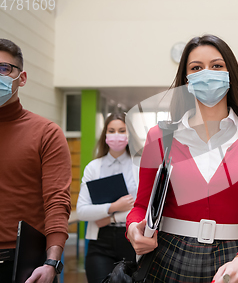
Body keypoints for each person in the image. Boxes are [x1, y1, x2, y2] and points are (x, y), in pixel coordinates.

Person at [126, 34, 238, 283]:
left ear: (231, 74)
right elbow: (141, 206)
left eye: (217, 66)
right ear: (186, 80)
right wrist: (133, 228)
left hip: (235, 258)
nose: (207, 73)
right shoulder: (160, 137)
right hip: (167, 255)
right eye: (196, 68)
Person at [0, 38, 71, 282]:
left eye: (4, 68)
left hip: (22, 264)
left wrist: (52, 261)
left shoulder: (46, 132)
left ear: (22, 78)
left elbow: (57, 201)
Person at [76, 112, 138, 283]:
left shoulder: (139, 166)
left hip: (131, 239)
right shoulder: (93, 168)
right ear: (105, 135)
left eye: (121, 130)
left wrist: (110, 218)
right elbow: (81, 211)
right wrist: (114, 206)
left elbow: (144, 210)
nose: (116, 135)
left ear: (129, 134)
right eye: (111, 130)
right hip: (100, 243)